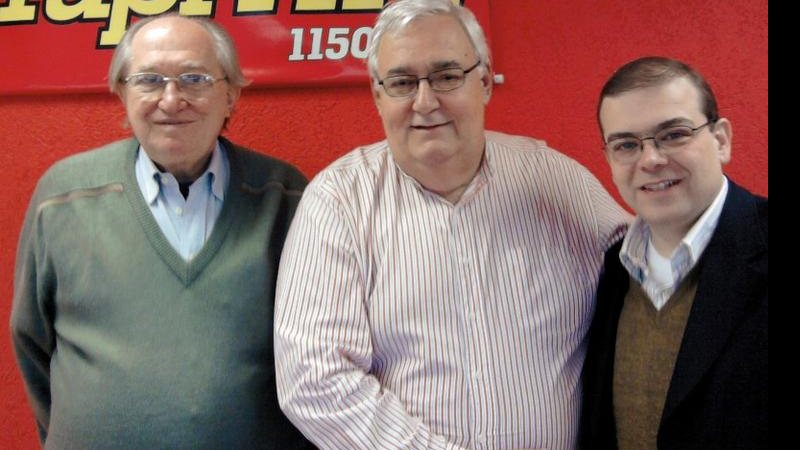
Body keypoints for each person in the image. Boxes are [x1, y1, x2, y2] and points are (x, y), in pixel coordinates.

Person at [274, 1, 630, 448]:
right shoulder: (338, 202)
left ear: (483, 82)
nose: (425, 102)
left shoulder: (554, 179)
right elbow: (313, 378)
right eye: (402, 82)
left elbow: (646, 273)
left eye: (446, 76)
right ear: (377, 95)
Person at [10, 13, 312, 449]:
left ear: (231, 93)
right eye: (149, 80)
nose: (171, 100)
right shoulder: (63, 196)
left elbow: (320, 348)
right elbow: (32, 342)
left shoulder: (285, 196)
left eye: (194, 79)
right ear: (122, 93)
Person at [579, 57, 768, 450]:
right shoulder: (612, 269)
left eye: (674, 134)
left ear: (721, 140)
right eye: (627, 144)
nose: (650, 160)